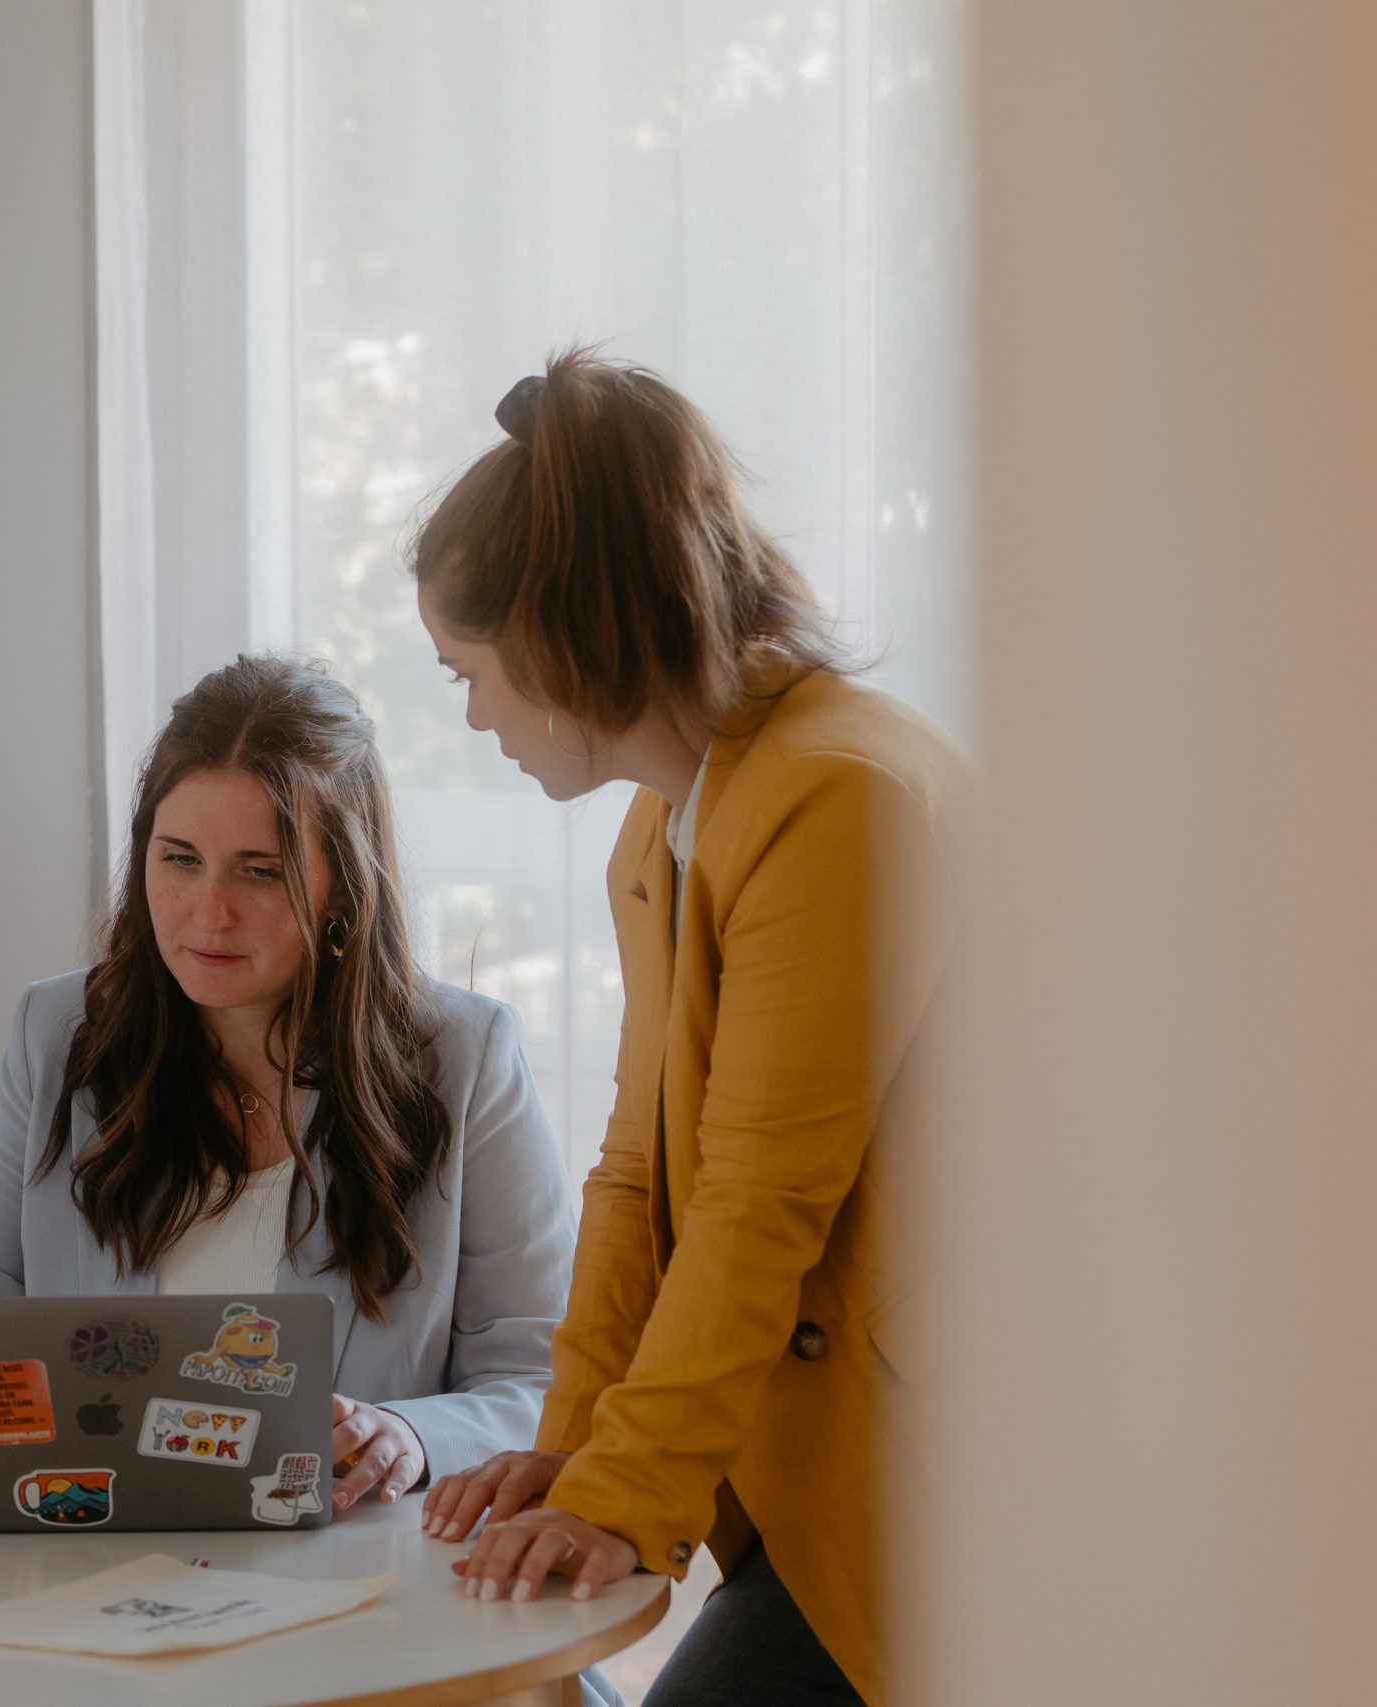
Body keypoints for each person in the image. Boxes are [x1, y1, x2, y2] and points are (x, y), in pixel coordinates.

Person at [408, 350, 966, 1707]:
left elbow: (757, 1202)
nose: (475, 714)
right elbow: (640, 1179)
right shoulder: (666, 830)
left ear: (558, 634)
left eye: (470, 671)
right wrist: (575, 1447)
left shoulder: (838, 794)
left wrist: (624, 1495)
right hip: (829, 1465)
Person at [0, 655, 583, 1511]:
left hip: (370, 1582)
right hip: (104, 1563)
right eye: (179, 858)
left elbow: (544, 1377)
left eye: (259, 869)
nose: (208, 911)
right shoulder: (59, 1034)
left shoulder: (464, 1056)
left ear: (343, 885)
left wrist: (413, 1438)